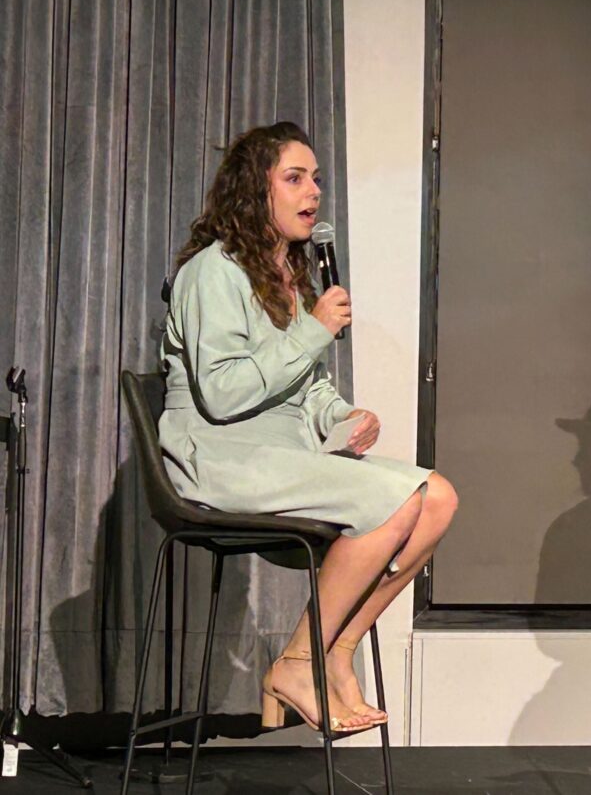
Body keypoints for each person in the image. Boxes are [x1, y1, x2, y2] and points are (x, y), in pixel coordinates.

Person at [159, 121, 458, 733]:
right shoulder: (212, 273)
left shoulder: (288, 277)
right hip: (218, 458)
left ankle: (332, 652)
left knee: (439, 500)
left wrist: (341, 416)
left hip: (278, 454)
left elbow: (305, 388)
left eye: (316, 179)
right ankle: (298, 664)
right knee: (396, 503)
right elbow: (222, 392)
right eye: (295, 178)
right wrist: (315, 330)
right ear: (254, 191)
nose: (313, 192)